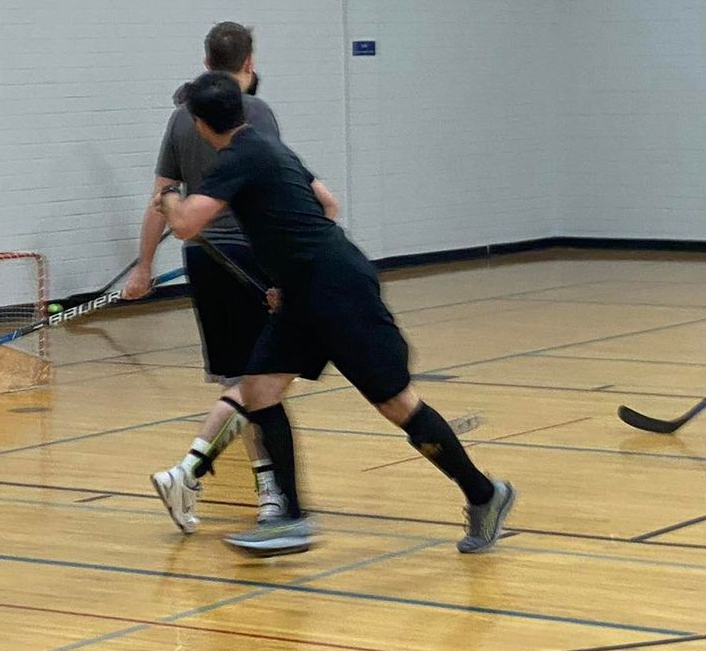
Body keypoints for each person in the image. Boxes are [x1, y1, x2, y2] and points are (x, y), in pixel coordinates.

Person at [150, 70, 515, 556]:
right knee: (259, 390)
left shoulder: (239, 156)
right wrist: (289, 274)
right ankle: (292, 520)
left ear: (200, 124)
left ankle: (486, 495)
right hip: (305, 293)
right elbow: (326, 204)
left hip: (339, 293)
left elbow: (188, 226)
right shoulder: (265, 147)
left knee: (396, 405)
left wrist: (169, 195)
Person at [125, 21, 339, 524]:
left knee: (245, 379)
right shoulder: (256, 112)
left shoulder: (182, 117)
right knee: (258, 383)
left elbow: (160, 199)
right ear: (249, 62)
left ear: (206, 62)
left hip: (202, 258)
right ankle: (218, 479)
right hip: (253, 258)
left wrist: (145, 264)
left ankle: (255, 486)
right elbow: (283, 187)